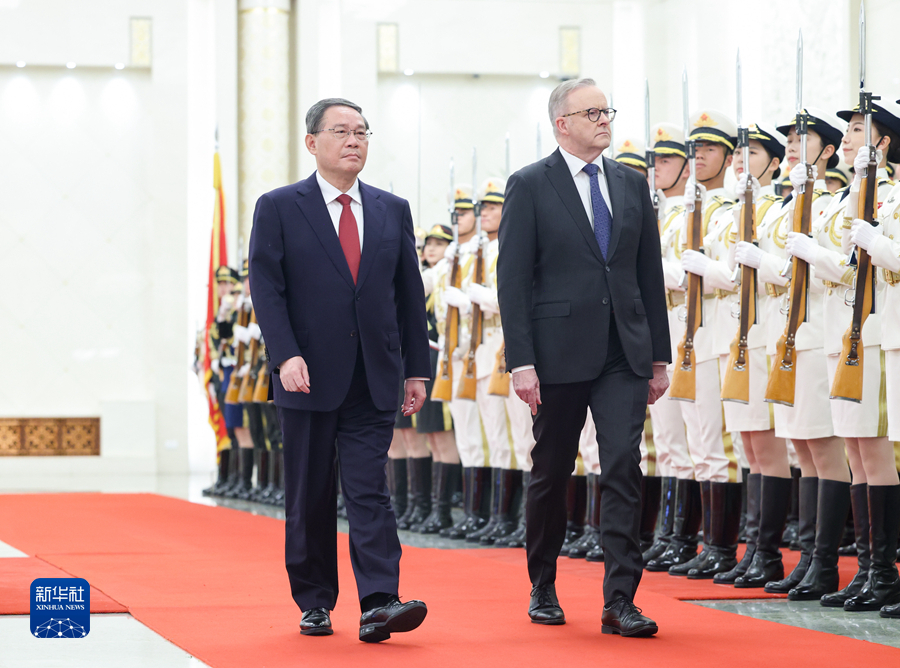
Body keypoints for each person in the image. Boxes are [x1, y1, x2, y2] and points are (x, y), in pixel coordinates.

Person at [249, 97, 432, 642]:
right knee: (308, 491)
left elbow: (408, 295)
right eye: (342, 131)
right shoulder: (279, 206)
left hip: (374, 375)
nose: (354, 141)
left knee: (369, 489)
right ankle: (314, 600)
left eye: (362, 132)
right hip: (305, 374)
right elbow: (267, 287)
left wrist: (417, 370)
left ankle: (379, 602)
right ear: (313, 143)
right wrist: (284, 354)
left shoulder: (391, 208)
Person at [497, 78, 670, 637]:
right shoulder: (529, 184)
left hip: (625, 350)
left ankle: (620, 599)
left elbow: (648, 274)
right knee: (552, 469)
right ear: (561, 123)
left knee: (623, 466)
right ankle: (542, 583)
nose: (603, 119)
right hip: (557, 353)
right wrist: (521, 361)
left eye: (606, 110)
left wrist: (659, 356)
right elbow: (513, 280)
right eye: (591, 112)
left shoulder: (630, 182)